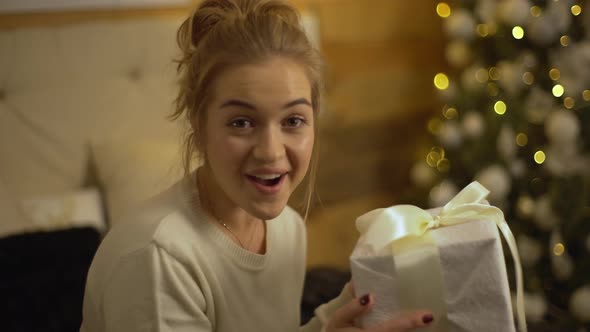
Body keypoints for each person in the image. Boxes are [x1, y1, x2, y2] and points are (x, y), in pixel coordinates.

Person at [80, 0, 434, 331]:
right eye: (241, 123)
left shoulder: (287, 231)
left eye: (293, 120)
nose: (270, 152)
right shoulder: (158, 259)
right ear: (199, 125)